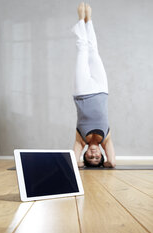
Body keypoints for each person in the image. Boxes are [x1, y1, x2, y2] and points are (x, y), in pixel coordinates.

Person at [72, 3, 116, 168]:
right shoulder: (106, 138)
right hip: (102, 89)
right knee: (94, 52)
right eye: (98, 158)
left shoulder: (80, 139)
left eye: (90, 157)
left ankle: (80, 20)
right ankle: (88, 20)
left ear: (85, 155)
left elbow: (74, 161)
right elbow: (112, 162)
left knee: (83, 51)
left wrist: (81, 163)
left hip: (81, 92)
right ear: (102, 154)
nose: (94, 155)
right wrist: (107, 163)